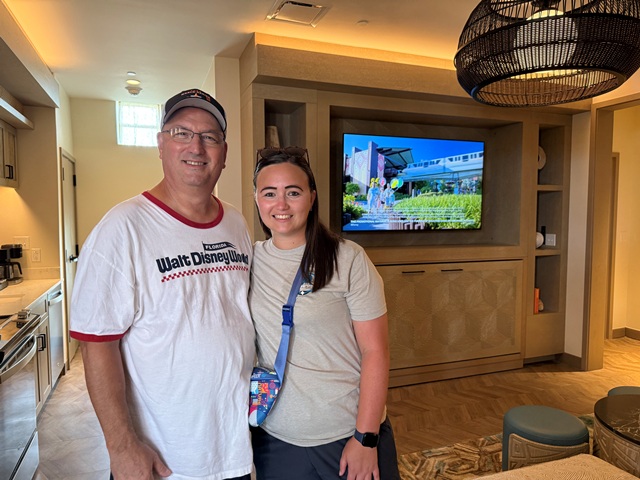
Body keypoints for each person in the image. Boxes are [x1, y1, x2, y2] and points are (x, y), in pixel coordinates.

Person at [69, 88, 255, 480]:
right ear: (160, 144)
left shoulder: (236, 223)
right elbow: (97, 345)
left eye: (210, 137)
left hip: (232, 449)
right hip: (163, 460)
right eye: (181, 133)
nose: (196, 147)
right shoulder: (122, 229)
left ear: (224, 152)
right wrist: (122, 447)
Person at [249, 147, 400, 480]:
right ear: (257, 199)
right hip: (276, 437)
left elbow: (375, 351)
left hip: (347, 433)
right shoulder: (248, 260)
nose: (281, 204)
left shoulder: (347, 258)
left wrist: (366, 438)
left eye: (293, 192)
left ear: (312, 197)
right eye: (269, 193)